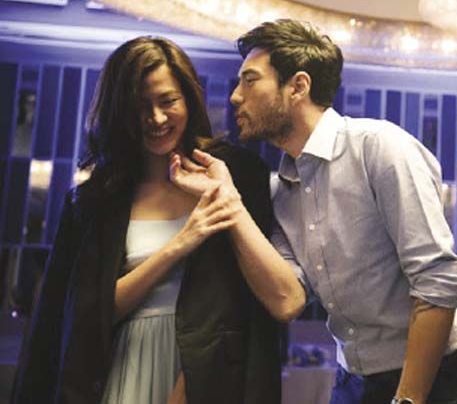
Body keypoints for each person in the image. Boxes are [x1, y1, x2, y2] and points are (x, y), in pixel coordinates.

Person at [175, 18, 457, 404]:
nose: (235, 96)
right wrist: (227, 201)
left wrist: (407, 400)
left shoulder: (379, 147)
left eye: (250, 80)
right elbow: (286, 300)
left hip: (433, 377)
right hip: (352, 378)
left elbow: (438, 279)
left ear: (298, 86)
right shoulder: (283, 189)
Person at [13, 36, 304, 404]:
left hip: (210, 374)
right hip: (119, 369)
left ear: (189, 99)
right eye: (140, 106)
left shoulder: (236, 174)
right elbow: (86, 312)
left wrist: (192, 382)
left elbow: (251, 304)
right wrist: (181, 243)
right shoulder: (94, 200)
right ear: (119, 110)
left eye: (168, 101)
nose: (156, 118)